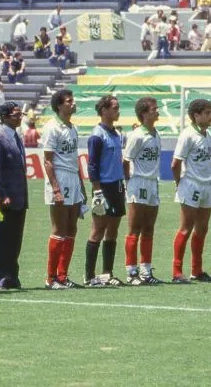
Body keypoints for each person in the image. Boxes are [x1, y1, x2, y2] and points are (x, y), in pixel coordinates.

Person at [170, 98, 211, 283]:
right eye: (207, 113)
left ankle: (197, 270)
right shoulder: (187, 135)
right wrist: (179, 182)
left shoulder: (207, 134)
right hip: (191, 185)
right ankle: (176, 271)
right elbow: (175, 163)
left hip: (206, 185)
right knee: (186, 228)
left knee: (202, 229)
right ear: (196, 115)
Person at [42, 89, 84, 289]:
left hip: (73, 179)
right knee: (59, 228)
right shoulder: (52, 128)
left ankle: (63, 275)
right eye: (69, 101)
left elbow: (75, 159)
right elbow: (48, 161)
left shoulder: (72, 128)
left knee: (72, 228)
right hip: (60, 178)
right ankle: (51, 278)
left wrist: (81, 187)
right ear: (59, 106)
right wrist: (56, 189)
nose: (72, 103)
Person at [85, 95, 126, 287]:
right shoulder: (97, 135)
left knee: (113, 231)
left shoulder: (116, 133)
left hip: (117, 186)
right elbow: (92, 165)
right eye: (115, 108)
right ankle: (89, 276)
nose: (118, 111)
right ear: (104, 111)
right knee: (98, 230)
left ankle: (106, 274)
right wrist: (97, 191)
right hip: (104, 188)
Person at [122, 97, 162, 284]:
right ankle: (131, 272)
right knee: (134, 229)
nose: (157, 111)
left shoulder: (156, 134)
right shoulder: (137, 135)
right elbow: (126, 160)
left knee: (149, 228)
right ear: (144, 113)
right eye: (154, 109)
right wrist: (130, 181)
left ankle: (146, 271)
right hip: (139, 183)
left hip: (153, 184)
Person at [0, 101, 27, 290]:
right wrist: (1, 193)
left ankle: (12, 275)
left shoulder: (17, 136)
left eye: (20, 114)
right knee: (0, 239)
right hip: (5, 197)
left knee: (15, 239)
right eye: (15, 115)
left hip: (20, 197)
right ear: (4, 117)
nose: (19, 117)